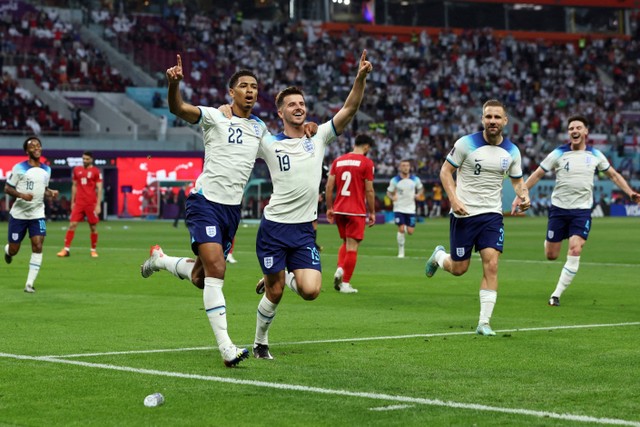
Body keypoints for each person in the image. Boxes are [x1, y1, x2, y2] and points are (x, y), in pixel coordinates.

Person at [139, 55, 315, 368]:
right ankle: (227, 348)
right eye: (243, 86)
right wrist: (174, 84)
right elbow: (178, 108)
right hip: (204, 202)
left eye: (254, 87)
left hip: (231, 212)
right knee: (217, 271)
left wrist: (305, 129)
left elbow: (282, 145)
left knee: (200, 277)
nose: (250, 91)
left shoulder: (260, 129)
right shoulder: (214, 117)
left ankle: (161, 260)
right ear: (230, 93)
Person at [251, 50, 372, 359]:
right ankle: (260, 342)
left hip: (304, 231)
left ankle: (281, 275)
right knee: (275, 293)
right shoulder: (268, 142)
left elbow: (350, 108)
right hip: (274, 228)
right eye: (292, 104)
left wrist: (360, 79)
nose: (299, 108)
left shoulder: (317, 138)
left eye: (302, 104)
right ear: (280, 112)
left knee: (311, 291)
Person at [425, 99, 531, 336]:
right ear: (482, 119)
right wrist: (453, 199)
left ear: (505, 121)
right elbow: (445, 171)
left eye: (497, 117)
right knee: (459, 268)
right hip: (464, 214)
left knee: (492, 264)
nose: (492, 121)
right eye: (488, 117)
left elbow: (516, 180)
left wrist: (523, 195)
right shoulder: (466, 143)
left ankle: (484, 322)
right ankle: (439, 256)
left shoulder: (512, 151)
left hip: (492, 216)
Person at [511, 115, 640, 307]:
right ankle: (549, 240)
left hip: (581, 211)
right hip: (559, 209)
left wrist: (630, 192)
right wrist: (520, 194)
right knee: (551, 255)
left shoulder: (595, 154)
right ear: (568, 133)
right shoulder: (558, 153)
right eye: (571, 128)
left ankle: (556, 295)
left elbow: (613, 175)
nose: (574, 131)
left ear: (586, 131)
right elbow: (538, 174)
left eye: (578, 127)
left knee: (575, 248)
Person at [4, 136, 59, 293]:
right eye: (32, 146)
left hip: (37, 214)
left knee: (38, 245)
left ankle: (29, 284)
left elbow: (44, 189)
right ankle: (7, 251)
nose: (36, 147)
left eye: (38, 145)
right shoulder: (19, 168)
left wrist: (51, 192)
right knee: (15, 249)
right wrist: (22, 195)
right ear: (27, 151)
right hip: (19, 215)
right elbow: (7, 188)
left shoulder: (47, 169)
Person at [325, 133, 376, 294]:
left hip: (339, 209)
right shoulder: (367, 163)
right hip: (356, 210)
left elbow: (329, 186)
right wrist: (372, 212)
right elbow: (369, 189)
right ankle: (345, 282)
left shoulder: (338, 161)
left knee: (346, 243)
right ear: (366, 146)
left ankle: (340, 268)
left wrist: (329, 207)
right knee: (353, 247)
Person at [57, 151, 103, 258]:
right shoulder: (77, 170)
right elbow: (74, 186)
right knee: (72, 224)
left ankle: (93, 250)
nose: (85, 161)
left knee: (93, 227)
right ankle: (66, 250)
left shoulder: (96, 171)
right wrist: (73, 201)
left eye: (87, 159)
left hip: (91, 203)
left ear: (91, 159)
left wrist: (98, 205)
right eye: (83, 158)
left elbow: (99, 188)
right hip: (79, 203)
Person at [386, 159, 424, 258]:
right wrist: (392, 197)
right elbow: (389, 192)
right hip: (398, 208)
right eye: (403, 165)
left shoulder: (415, 179)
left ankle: (406, 228)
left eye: (407, 165)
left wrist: (418, 194)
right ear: (400, 167)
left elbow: (421, 188)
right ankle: (401, 251)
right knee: (401, 229)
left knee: (410, 232)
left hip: (411, 208)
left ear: (410, 167)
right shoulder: (395, 180)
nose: (405, 167)